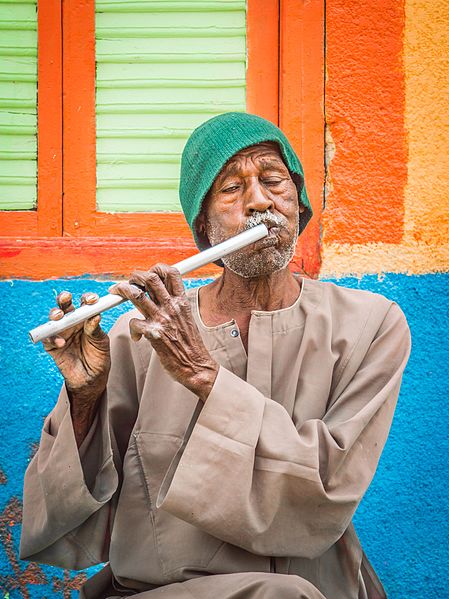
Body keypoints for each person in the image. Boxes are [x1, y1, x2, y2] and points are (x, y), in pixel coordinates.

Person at [20, 112, 411, 599]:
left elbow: (325, 485)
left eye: (273, 181)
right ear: (203, 224)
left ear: (299, 205)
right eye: (231, 189)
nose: (260, 202)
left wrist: (203, 375)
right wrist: (84, 397)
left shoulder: (370, 326)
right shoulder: (139, 334)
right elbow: (61, 520)